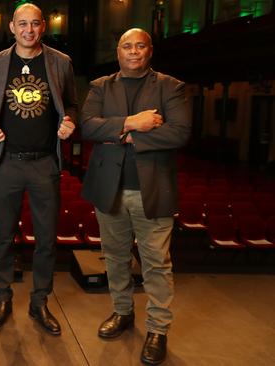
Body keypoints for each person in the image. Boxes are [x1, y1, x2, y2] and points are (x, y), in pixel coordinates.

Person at [80, 28, 190, 365]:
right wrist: (132, 124)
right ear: (118, 51)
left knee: (156, 263)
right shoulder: (101, 86)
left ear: (149, 50)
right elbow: (87, 126)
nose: (133, 51)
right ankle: (122, 312)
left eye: (139, 46)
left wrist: (123, 136)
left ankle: (157, 329)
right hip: (108, 189)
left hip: (151, 190)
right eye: (126, 46)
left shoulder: (171, 87)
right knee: (114, 259)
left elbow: (179, 132)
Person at [0, 3, 77, 335]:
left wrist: (70, 121)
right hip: (7, 162)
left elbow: (73, 103)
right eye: (22, 24)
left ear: (44, 26)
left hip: (44, 163)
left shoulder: (60, 62)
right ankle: (4, 297)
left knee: (47, 240)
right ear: (11, 27)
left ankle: (40, 302)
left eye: (35, 24)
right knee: (4, 238)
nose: (29, 30)